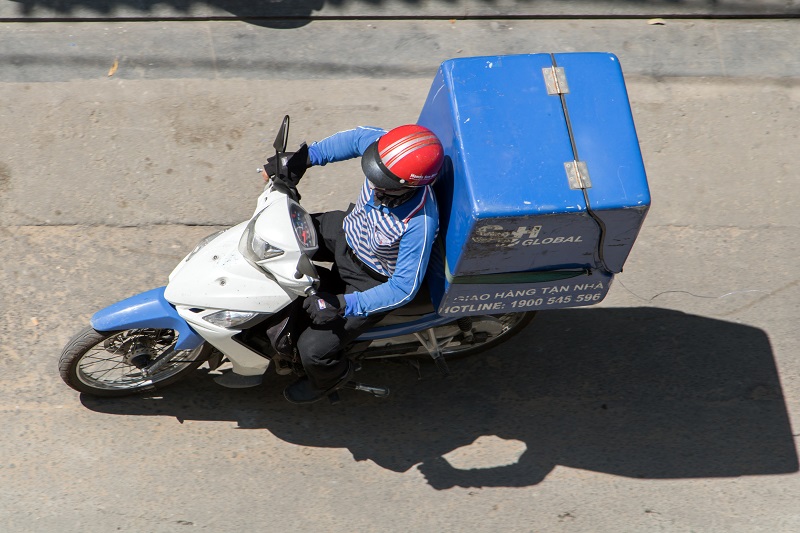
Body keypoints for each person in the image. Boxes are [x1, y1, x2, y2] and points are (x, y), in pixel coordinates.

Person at [276, 124, 444, 404]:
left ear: (408, 186)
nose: (374, 183)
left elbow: (403, 288)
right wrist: (304, 158)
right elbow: (354, 139)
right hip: (347, 232)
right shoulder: (385, 151)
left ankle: (329, 379)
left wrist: (343, 304)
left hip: (370, 278)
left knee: (314, 351)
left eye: (384, 183)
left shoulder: (419, 223)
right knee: (280, 232)